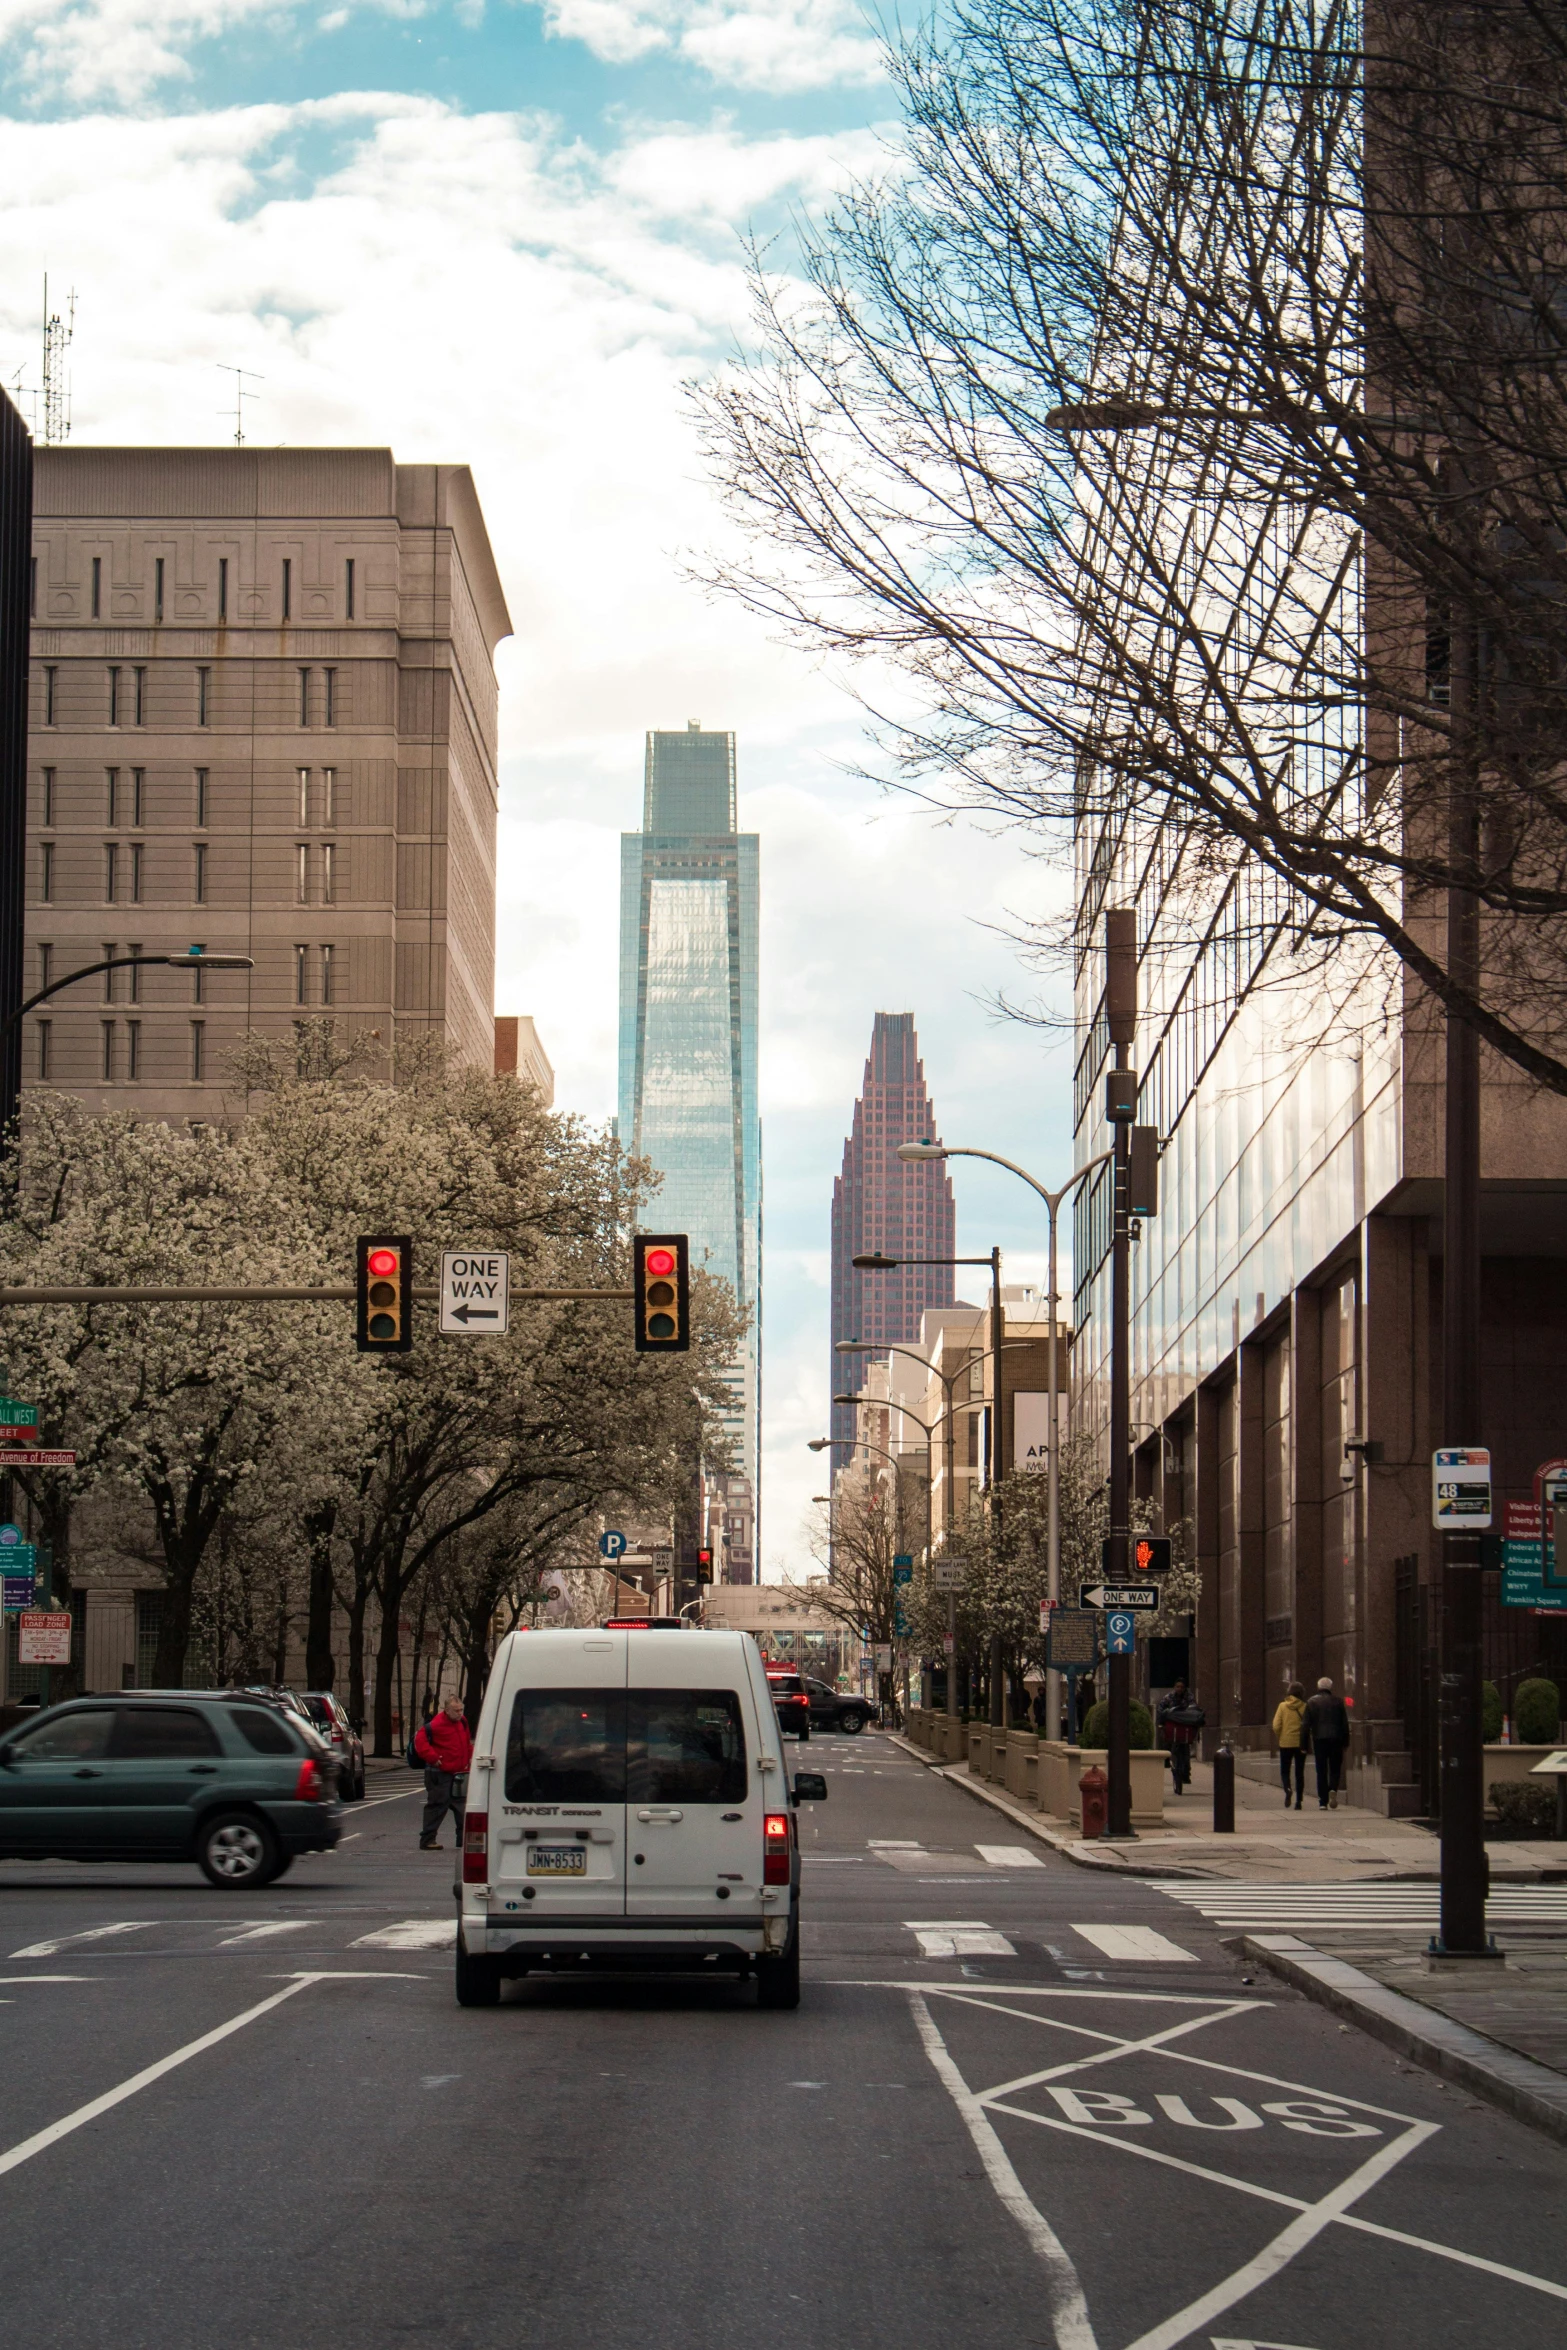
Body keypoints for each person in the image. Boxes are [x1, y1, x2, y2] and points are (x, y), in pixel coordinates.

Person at [414, 1690, 474, 1850]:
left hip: (458, 1772)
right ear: (447, 1710)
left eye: (461, 1710)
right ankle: (427, 1839)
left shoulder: (462, 1722)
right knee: (437, 1806)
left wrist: (470, 1759)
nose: (460, 1713)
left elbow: (466, 1742)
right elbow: (419, 1742)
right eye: (456, 1710)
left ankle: (463, 1840)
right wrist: (435, 1758)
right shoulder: (436, 1725)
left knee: (462, 1808)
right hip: (440, 1773)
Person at [1304, 1676, 1350, 1809]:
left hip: (1319, 1740)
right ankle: (1333, 1789)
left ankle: (1322, 1801)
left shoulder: (1311, 1702)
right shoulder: (1338, 1702)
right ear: (1331, 1687)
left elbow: (1306, 1725)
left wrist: (1304, 1745)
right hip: (1336, 1739)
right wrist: (1346, 1742)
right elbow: (1344, 1724)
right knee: (1335, 1768)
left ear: (1318, 1687)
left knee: (1321, 1769)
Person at [1157, 1679, 1203, 1794]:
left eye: (1181, 1687)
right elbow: (1160, 1709)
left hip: (1184, 1728)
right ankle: (1166, 1760)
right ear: (1174, 1687)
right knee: (1167, 1742)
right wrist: (1161, 1722)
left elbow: (1194, 1709)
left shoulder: (1189, 1697)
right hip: (1173, 1727)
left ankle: (1186, 1773)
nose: (1179, 1689)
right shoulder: (1168, 1697)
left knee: (1185, 1750)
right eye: (1177, 1686)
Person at [1272, 1680, 1308, 1809]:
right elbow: (1308, 1726)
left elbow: (1276, 1725)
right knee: (1300, 1772)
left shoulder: (1282, 1706)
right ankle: (1299, 1801)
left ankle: (1287, 1789)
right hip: (1300, 1744)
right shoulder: (1305, 1706)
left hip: (1285, 1743)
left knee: (1285, 1770)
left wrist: (1281, 1736)